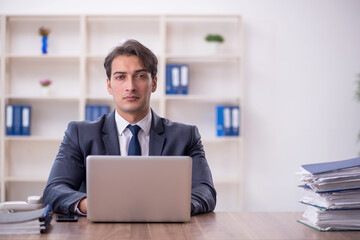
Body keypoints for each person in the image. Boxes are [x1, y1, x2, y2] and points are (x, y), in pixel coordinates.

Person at [43, 39, 216, 216]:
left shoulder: (185, 136)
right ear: (109, 85)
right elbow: (54, 190)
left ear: (154, 83)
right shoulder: (80, 134)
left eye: (140, 76)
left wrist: (172, 206)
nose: (130, 87)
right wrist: (93, 204)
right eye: (120, 77)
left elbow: (205, 191)